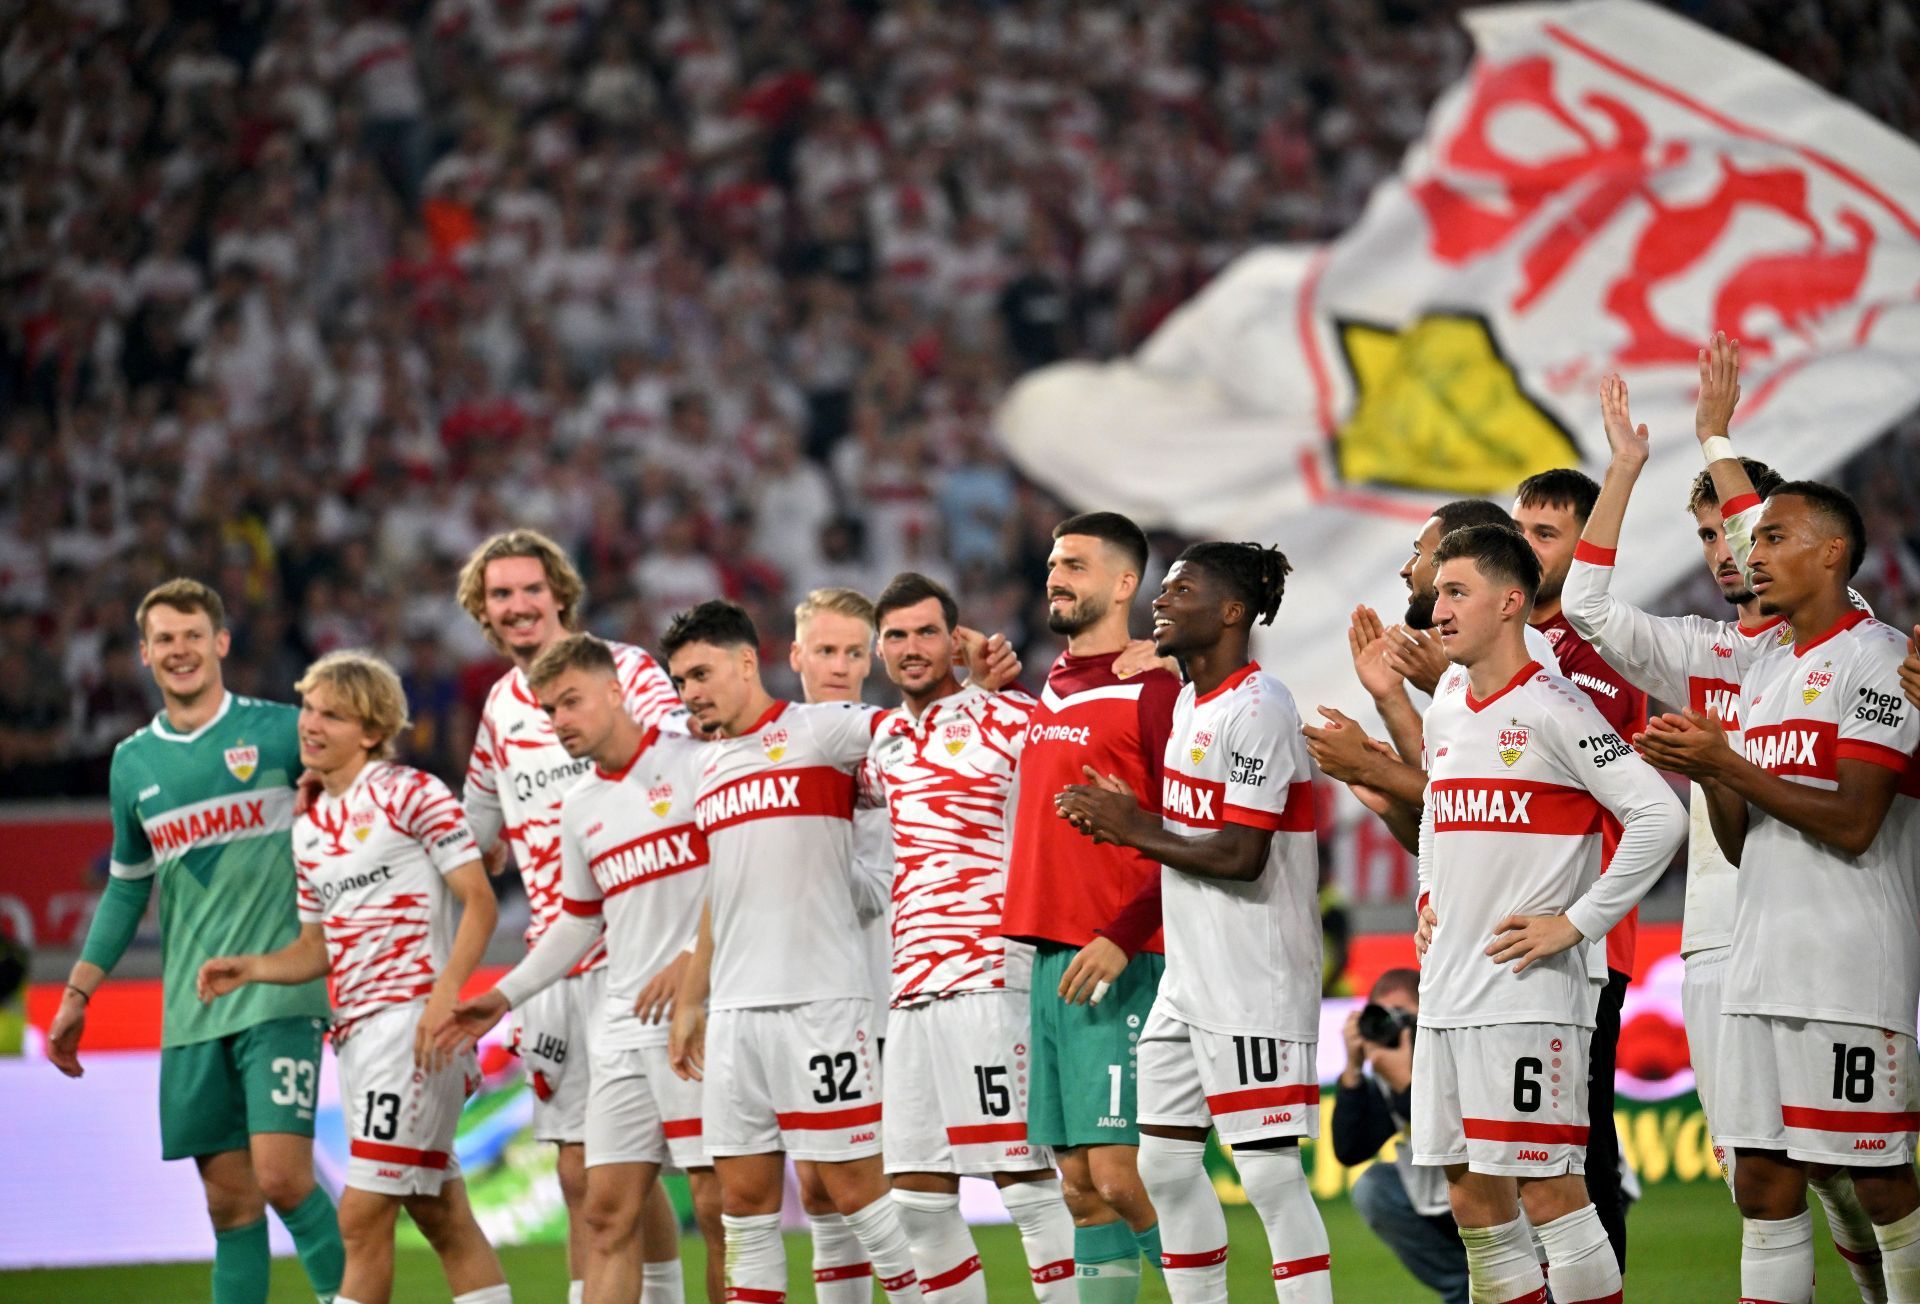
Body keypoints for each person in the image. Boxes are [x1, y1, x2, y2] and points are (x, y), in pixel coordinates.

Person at [1562, 335, 1888, 1298]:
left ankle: (1876, 1281)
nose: (1726, 555)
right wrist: (1624, 471)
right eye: (1705, 539)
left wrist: (1714, 439)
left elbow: (1763, 539)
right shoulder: (1694, 651)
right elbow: (1584, 603)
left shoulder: (1834, 630)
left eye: (1741, 536)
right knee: (1759, 1175)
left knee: (1847, 1164)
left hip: (1823, 918)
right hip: (1714, 935)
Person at [1634, 482, 1920, 1303]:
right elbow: (1737, 838)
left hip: (1848, 965)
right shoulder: (1763, 668)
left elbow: (1857, 820)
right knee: (1760, 1183)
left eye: (1773, 538)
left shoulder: (1877, 659)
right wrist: (1710, 769)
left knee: (1879, 1180)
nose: (1751, 556)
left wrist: (1729, 765)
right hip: (1760, 960)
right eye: (1748, 544)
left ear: (1832, 553)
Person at [48, 578, 347, 1304]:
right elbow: (127, 887)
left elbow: (360, 792)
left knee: (283, 1177)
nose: (179, 650)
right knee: (230, 1207)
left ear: (220, 643)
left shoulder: (283, 730)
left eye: (192, 634)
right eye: (164, 639)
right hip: (191, 1010)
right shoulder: (133, 764)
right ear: (145, 656)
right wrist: (77, 992)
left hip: (279, 991)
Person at [1411, 524, 1685, 1304]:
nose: (1437, 609)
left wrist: (1579, 923)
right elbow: (1436, 809)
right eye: (1438, 593)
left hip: (1530, 991)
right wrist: (1426, 893)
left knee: (1550, 1191)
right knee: (1469, 1192)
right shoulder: (1452, 698)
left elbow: (1659, 818)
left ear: (1510, 603)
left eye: (1455, 592)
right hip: (1449, 988)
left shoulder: (1556, 704)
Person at [1056, 540, 1332, 1302]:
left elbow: (1243, 854)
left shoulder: (1261, 707)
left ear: (1232, 612)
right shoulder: (1187, 703)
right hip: (1190, 977)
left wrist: (1130, 824)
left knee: (1271, 1176)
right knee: (1165, 1168)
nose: (1160, 601)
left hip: (1256, 980)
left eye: (1181, 590)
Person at [198, 651, 508, 1304]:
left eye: (331, 715)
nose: (310, 724)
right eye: (308, 708)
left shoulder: (410, 793)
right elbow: (319, 948)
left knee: (361, 1219)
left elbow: (479, 900)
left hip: (416, 1027)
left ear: (371, 731)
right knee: (442, 1215)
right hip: (361, 1036)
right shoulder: (308, 828)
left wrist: (444, 998)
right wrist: (252, 967)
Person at [455, 528, 707, 1303]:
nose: (519, 605)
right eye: (501, 595)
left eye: (531, 589)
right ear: (483, 612)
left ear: (559, 594)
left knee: (701, 1178)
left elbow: (682, 772)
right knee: (582, 1177)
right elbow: (474, 835)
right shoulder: (500, 708)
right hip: (560, 964)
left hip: (650, 954)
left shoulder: (626, 671)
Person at [662, 599, 922, 1303]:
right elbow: (724, 889)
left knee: (856, 1191)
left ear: (747, 662)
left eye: (701, 673)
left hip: (822, 1003)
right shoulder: (705, 769)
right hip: (737, 1014)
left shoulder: (821, 731)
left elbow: (920, 734)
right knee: (740, 1204)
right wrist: (692, 999)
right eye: (681, 681)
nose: (691, 692)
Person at [864, 571, 1076, 1301]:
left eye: (927, 632)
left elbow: (1074, 772)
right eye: (896, 635)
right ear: (879, 650)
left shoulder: (1008, 718)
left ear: (955, 640)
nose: (912, 647)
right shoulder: (881, 742)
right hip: (910, 990)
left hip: (990, 976)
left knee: (1024, 1184)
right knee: (917, 1199)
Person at [999, 511, 1183, 1302]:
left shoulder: (1157, 688)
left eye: (1074, 564)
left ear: (1123, 583)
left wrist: (1123, 934)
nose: (1055, 576)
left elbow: (1191, 831)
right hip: (1049, 954)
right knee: (1076, 1183)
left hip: (1120, 954)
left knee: (1120, 1172)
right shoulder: (1054, 685)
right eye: (1051, 564)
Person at [1512, 466, 1651, 1271]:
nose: (1526, 547)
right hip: (1510, 923)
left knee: (1582, 1149)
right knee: (1520, 1151)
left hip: (1587, 937)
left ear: (1587, 548)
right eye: (1520, 528)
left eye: (1546, 533)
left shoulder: (1603, 653)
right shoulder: (1496, 646)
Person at [1307, 500, 1564, 854]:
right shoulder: (1460, 665)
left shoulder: (1524, 654)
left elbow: (1496, 805)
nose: (1406, 569)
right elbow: (1445, 832)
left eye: (1418, 552)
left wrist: (1372, 768)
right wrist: (1389, 696)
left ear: (1457, 558)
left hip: (1526, 907)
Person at [786, 586, 898, 1302]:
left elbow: (881, 884)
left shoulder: (887, 752)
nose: (839, 665)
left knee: (872, 1185)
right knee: (817, 1190)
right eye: (825, 651)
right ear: (795, 655)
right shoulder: (771, 745)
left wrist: (811, 850)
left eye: (854, 652)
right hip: (798, 994)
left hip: (876, 991)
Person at [1334, 970, 1465, 1304]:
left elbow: (1455, 1138)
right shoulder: (1387, 1066)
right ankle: (1462, 1290)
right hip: (1447, 1197)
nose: (1393, 1028)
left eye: (1402, 1016)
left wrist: (1406, 1084)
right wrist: (1353, 1069)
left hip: (1507, 1188)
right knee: (1373, 1187)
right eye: (1382, 1016)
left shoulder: (1456, 1047)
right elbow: (1350, 1150)